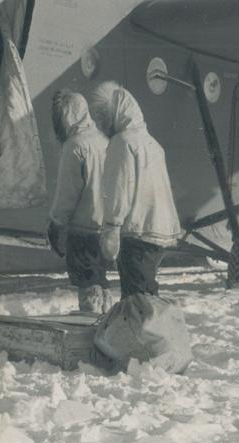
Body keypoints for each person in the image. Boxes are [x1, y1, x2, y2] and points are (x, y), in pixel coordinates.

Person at [88, 81, 183, 298]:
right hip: (158, 231)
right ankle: (150, 328)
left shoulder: (122, 143)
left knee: (138, 299)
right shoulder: (152, 144)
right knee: (145, 291)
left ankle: (148, 331)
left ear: (114, 113)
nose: (101, 123)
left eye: (103, 115)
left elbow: (118, 191)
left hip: (137, 232)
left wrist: (111, 229)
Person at [47, 89, 113, 313]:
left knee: (87, 287)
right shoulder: (104, 140)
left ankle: (88, 330)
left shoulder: (74, 146)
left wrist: (56, 223)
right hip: (106, 228)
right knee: (101, 282)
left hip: (82, 229)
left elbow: (67, 193)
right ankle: (106, 328)